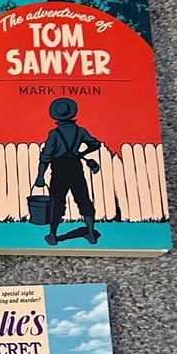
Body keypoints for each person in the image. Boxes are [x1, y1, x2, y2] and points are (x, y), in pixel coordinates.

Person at [34, 97, 103, 246]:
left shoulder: (54, 134)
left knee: (57, 202)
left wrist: (40, 176)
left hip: (59, 171)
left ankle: (52, 236)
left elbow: (45, 156)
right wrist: (81, 153)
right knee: (83, 200)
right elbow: (96, 144)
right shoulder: (80, 131)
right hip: (76, 169)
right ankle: (91, 234)